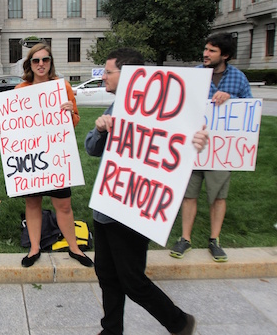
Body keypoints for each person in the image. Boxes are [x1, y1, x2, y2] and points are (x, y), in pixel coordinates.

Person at [85, 48, 208, 335]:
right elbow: (91, 148)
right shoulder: (114, 108)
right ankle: (111, 329)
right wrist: (100, 130)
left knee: (132, 281)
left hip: (134, 210)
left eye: (108, 71)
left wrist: (196, 141)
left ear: (126, 75)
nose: (103, 75)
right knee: (106, 274)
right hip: (105, 209)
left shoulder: (160, 110)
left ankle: (179, 322)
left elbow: (180, 142)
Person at [0, 43, 94, 268]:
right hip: (31, 159)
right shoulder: (21, 89)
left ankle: (74, 248)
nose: (41, 64)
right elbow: (12, 124)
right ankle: (35, 247)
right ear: (29, 64)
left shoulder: (62, 87)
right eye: (36, 60)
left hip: (56, 156)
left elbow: (74, 121)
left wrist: (70, 112)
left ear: (51, 62)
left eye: (45, 60)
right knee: (33, 203)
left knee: (64, 205)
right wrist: (1, 132)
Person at [170, 33, 252, 263]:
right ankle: (185, 238)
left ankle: (214, 240)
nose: (205, 54)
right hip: (194, 148)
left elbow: (249, 111)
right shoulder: (195, 75)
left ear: (225, 55)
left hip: (222, 151)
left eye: (212, 51)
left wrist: (232, 101)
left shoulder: (238, 79)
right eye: (205, 49)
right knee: (189, 195)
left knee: (218, 197)